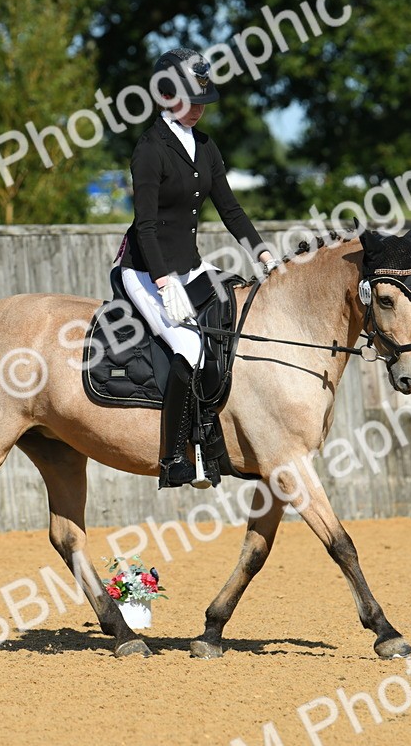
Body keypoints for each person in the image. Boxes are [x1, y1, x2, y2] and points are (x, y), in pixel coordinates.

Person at [115, 47, 275, 489]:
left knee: (228, 328)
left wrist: (262, 254)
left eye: (203, 101)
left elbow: (231, 209)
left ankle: (214, 437)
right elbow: (145, 226)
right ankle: (177, 460)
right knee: (187, 347)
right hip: (147, 271)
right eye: (192, 100)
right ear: (168, 97)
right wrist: (164, 281)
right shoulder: (150, 150)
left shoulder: (205, 147)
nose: (201, 109)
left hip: (191, 267)